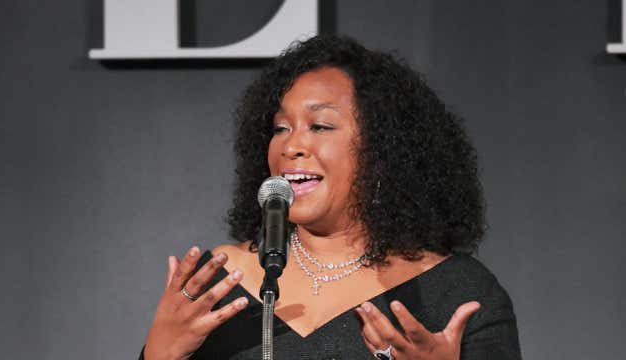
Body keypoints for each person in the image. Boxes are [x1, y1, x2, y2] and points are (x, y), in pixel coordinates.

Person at [141, 34, 521, 359]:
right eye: (280, 128)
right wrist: (159, 353)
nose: (291, 145)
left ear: (382, 148)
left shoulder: (455, 292)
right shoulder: (217, 287)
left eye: (319, 125)